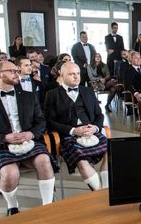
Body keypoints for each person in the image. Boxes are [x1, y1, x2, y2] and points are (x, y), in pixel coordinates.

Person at [0, 61, 57, 216]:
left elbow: (41, 121)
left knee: (44, 161)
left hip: (29, 141)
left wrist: (30, 134)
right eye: (12, 71)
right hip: (1, 145)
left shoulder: (28, 97)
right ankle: (12, 206)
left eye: (17, 70)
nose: (17, 73)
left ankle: (47, 205)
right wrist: (4, 137)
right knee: (10, 173)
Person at [44, 62, 109, 191]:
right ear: (61, 76)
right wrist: (73, 130)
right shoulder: (51, 95)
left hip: (92, 131)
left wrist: (95, 128)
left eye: (78, 73)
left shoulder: (88, 91)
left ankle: (106, 189)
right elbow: (49, 121)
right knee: (82, 161)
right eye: (72, 74)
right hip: (69, 135)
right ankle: (99, 192)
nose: (76, 77)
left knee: (111, 152)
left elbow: (99, 115)